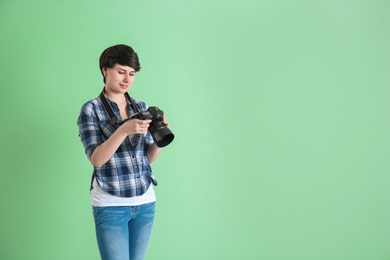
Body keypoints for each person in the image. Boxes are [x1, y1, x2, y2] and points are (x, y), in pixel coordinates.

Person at [77, 44, 168, 260]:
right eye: (121, 71)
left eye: (132, 74)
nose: (126, 79)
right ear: (105, 70)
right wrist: (123, 130)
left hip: (145, 202)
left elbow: (147, 158)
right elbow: (97, 159)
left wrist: (160, 139)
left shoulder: (140, 107)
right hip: (111, 203)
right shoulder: (91, 110)